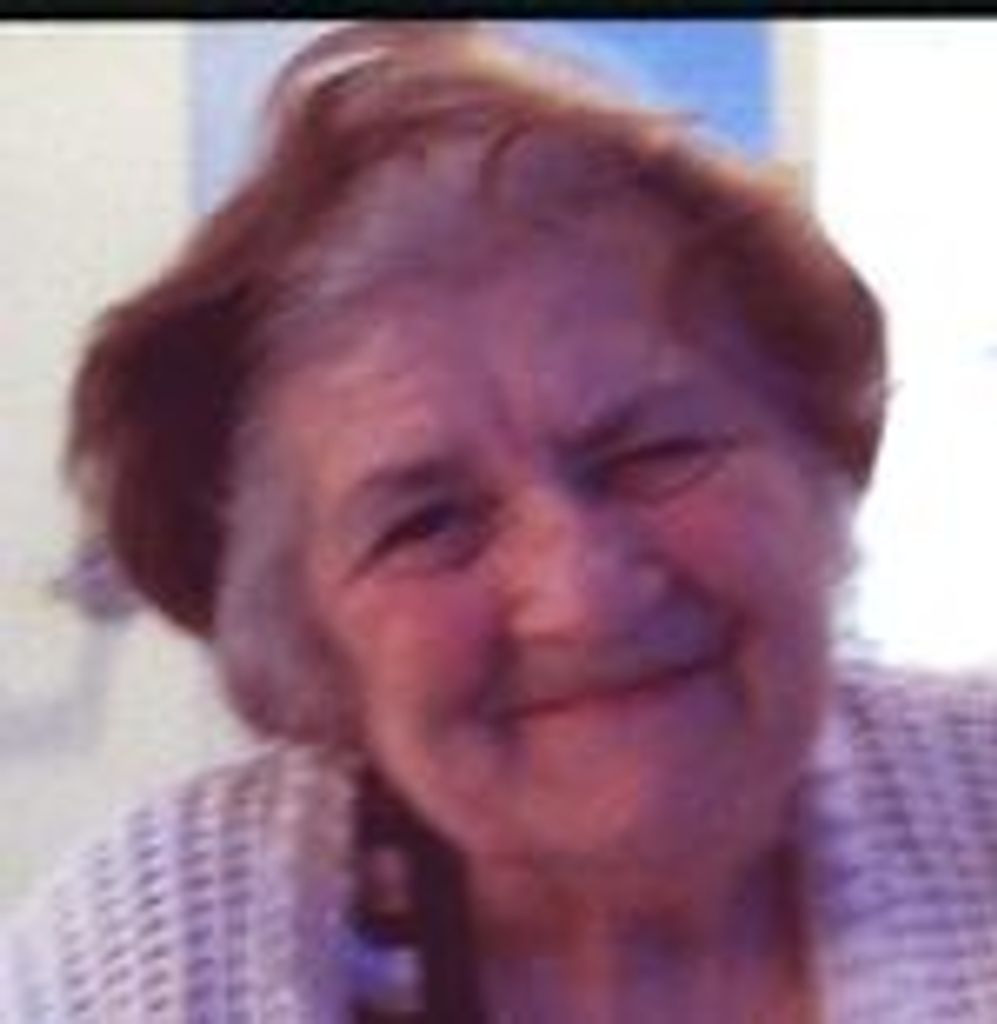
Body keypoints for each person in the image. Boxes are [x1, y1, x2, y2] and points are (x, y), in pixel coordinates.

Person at [4, 21, 997, 1023]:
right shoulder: (146, 956)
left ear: (816, 464)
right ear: (311, 652)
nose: (582, 596)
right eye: (428, 523)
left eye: (656, 453)